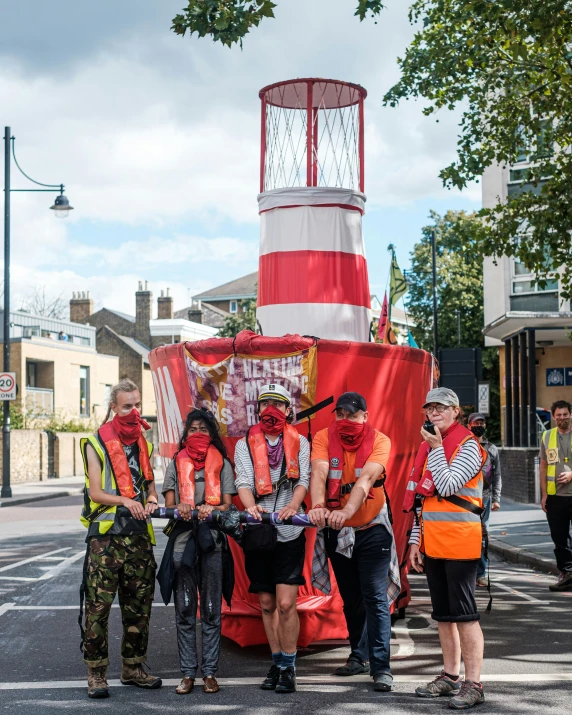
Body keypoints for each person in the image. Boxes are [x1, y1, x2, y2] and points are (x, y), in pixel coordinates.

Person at [308, 391, 398, 693]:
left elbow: (366, 479)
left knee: (374, 597)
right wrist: (319, 505)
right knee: (351, 598)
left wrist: (347, 510)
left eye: (352, 414)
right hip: (337, 531)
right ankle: (358, 655)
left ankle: (381, 666)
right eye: (340, 414)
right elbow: (319, 471)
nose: (345, 420)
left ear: (365, 416)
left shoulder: (380, 441)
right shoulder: (323, 436)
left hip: (371, 528)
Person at [79, 379, 161, 699]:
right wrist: (126, 500)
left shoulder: (144, 443)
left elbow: (149, 485)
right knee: (98, 608)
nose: (134, 411)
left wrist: (151, 499)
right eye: (127, 406)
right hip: (107, 539)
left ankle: (133, 668)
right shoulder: (95, 442)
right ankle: (96, 674)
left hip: (139, 536)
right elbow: (96, 492)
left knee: (138, 607)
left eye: (137, 404)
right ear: (113, 407)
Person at [408, 388, 486, 710]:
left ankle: (474, 684)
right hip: (434, 542)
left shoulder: (468, 445)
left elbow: (448, 484)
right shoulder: (432, 446)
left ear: (455, 410)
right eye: (430, 409)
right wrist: (416, 540)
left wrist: (437, 448)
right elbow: (424, 499)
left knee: (465, 617)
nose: (434, 413)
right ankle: (450, 676)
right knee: (443, 616)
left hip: (461, 543)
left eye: (441, 407)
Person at [234, 384, 310, 694]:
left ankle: (289, 666)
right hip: (259, 531)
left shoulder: (300, 442)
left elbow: (303, 479)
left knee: (285, 603)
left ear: (288, 410)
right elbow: (242, 480)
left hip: (290, 531)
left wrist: (294, 505)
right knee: (266, 604)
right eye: (265, 403)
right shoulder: (245, 445)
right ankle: (277, 661)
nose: (271, 409)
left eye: (277, 403)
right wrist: (250, 505)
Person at [160, 408, 237, 695]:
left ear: (212, 434)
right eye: (193, 429)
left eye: (203, 430)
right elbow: (168, 506)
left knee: (210, 609)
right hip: (183, 546)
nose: (198, 434)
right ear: (185, 434)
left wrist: (211, 508)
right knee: (185, 608)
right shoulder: (175, 463)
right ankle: (187, 673)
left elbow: (228, 505)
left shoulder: (223, 464)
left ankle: (209, 673)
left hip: (212, 543)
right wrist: (179, 508)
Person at [539, 400, 572, 592]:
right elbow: (543, 467)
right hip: (555, 497)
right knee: (559, 539)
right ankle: (566, 574)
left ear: (570, 414)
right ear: (553, 416)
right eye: (558, 415)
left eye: (565, 414)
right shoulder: (547, 436)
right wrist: (544, 495)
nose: (562, 418)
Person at [467, 413, 502, 587]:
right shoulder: (464, 446)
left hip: (485, 498)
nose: (478, 425)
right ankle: (467, 573)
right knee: (467, 535)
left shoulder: (492, 448)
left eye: (481, 422)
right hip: (466, 499)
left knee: (482, 537)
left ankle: (480, 574)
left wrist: (497, 498)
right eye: (475, 423)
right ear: (469, 426)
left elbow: (497, 475)